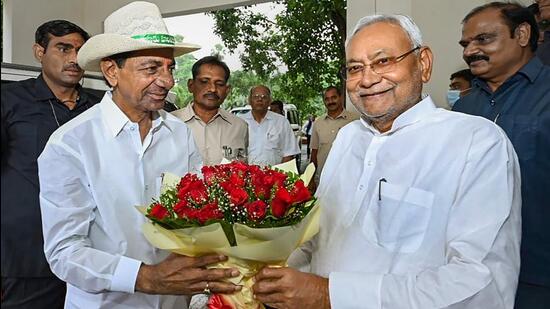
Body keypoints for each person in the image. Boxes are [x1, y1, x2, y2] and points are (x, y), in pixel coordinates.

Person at [252, 13, 521, 308]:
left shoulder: (477, 143)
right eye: (355, 68)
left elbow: (482, 287)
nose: (367, 79)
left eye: (383, 61)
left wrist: (329, 295)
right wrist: (271, 276)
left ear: (423, 63)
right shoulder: (347, 138)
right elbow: (318, 239)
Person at [37, 2, 241, 308]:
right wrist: (145, 277)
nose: (168, 80)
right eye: (151, 68)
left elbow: (198, 215)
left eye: (169, 68)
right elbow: (65, 253)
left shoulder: (179, 134)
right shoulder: (71, 144)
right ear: (111, 71)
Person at [452, 2, 550, 308]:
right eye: (466, 44)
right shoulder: (462, 109)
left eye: (483, 39)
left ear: (522, 34)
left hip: (537, 273)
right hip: (470, 274)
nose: (470, 51)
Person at [1, 20, 99, 308]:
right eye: (63, 48)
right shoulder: (9, 101)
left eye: (80, 51)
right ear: (39, 52)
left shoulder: (101, 107)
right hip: (24, 260)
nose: (73, 59)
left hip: (91, 255)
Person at [172, 56, 248, 165]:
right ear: (191, 85)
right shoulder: (169, 123)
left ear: (227, 90)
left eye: (219, 84)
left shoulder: (240, 127)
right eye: (204, 81)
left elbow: (242, 170)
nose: (212, 89)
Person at [309, 86, 358, 186]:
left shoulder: (355, 121)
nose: (330, 101)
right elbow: (314, 153)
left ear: (341, 98)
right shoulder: (318, 123)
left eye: (334, 97)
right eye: (327, 99)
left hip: (349, 179)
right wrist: (311, 178)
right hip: (323, 179)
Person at [240, 85, 300, 166]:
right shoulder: (240, 122)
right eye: (256, 96)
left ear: (269, 101)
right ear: (249, 100)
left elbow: (289, 153)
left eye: (264, 97)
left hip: (274, 176)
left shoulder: (281, 122)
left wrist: (278, 175)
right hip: (245, 176)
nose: (260, 99)